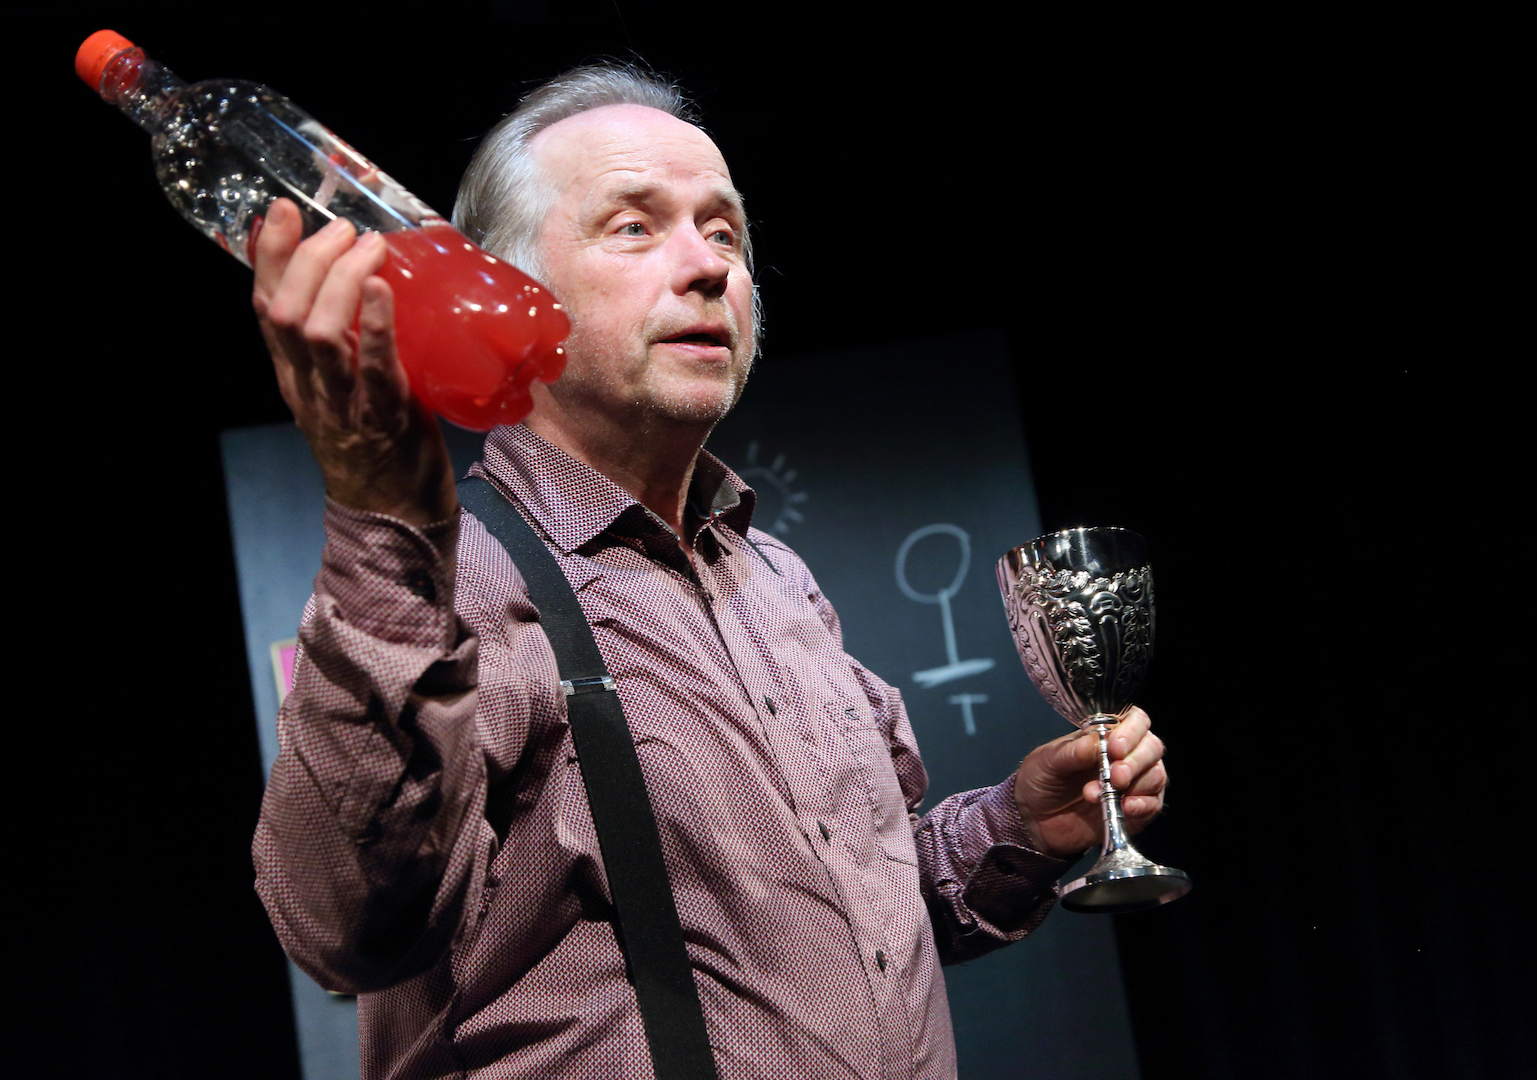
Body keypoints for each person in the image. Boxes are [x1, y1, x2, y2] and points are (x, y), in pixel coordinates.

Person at [251, 65, 1170, 1080]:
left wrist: (1021, 827)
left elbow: (864, 910)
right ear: (506, 296)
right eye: (635, 228)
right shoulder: (447, 590)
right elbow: (342, 927)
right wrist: (381, 526)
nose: (707, 269)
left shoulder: (774, 578)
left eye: (724, 232)